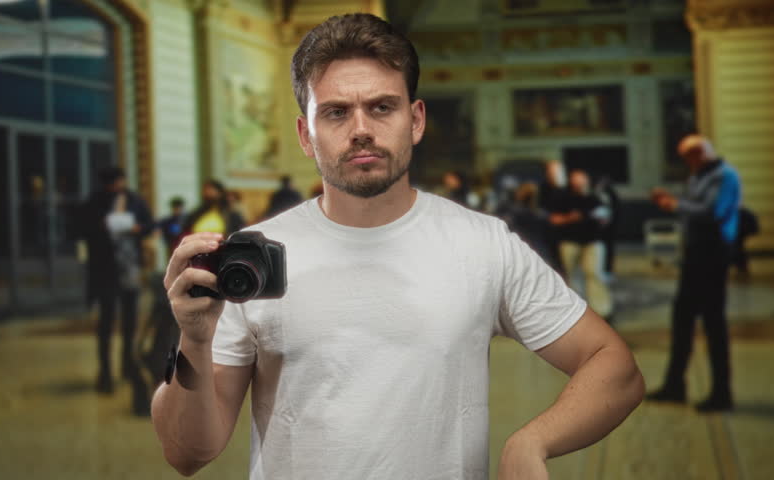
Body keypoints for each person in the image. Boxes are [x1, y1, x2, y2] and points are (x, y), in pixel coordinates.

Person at [151, 13, 643, 480]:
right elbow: (188, 453)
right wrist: (193, 339)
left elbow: (614, 365)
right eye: (337, 112)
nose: (361, 128)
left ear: (416, 119)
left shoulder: (481, 244)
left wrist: (532, 441)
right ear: (306, 134)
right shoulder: (257, 258)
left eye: (382, 107)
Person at [647, 134, 741, 412]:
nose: (686, 163)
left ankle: (722, 393)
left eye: (687, 157)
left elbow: (713, 211)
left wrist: (674, 205)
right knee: (682, 319)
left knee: (713, 322)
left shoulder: (725, 176)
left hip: (712, 255)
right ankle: (675, 384)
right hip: (695, 254)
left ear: (699, 154)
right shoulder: (699, 176)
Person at [78, 167, 153, 395]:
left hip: (129, 266)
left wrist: (139, 229)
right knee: (106, 320)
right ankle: (105, 372)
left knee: (130, 319)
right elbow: (82, 229)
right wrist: (100, 227)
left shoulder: (134, 200)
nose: (117, 187)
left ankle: (128, 365)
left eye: (120, 182)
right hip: (105, 267)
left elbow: (148, 224)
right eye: (113, 183)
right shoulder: (95, 202)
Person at [550, 170, 613, 320]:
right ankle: (576, 312)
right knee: (571, 276)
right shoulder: (563, 198)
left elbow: (606, 217)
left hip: (593, 241)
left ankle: (602, 311)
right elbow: (553, 219)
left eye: (583, 181)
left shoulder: (596, 197)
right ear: (571, 183)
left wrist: (601, 219)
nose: (580, 185)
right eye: (577, 182)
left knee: (594, 274)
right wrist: (570, 218)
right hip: (570, 241)